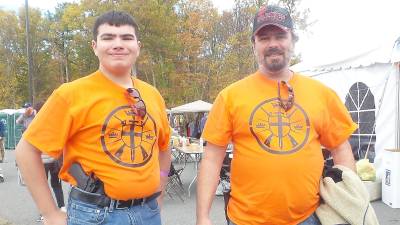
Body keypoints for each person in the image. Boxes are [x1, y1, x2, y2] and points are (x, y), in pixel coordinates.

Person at [196, 4, 357, 225]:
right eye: (264, 38)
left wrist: (350, 202)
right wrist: (202, 217)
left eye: (280, 36)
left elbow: (340, 148)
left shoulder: (322, 94)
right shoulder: (229, 97)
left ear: (293, 40)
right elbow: (212, 159)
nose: (273, 44)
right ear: (254, 45)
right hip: (245, 220)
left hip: (309, 217)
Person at [15, 10, 171, 225]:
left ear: (138, 47)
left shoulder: (153, 95)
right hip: (96, 214)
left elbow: (163, 147)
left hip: (149, 212)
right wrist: (50, 213)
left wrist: (159, 188)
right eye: (108, 38)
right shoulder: (70, 94)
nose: (118, 44)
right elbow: (26, 151)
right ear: (94, 47)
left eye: (127, 37)